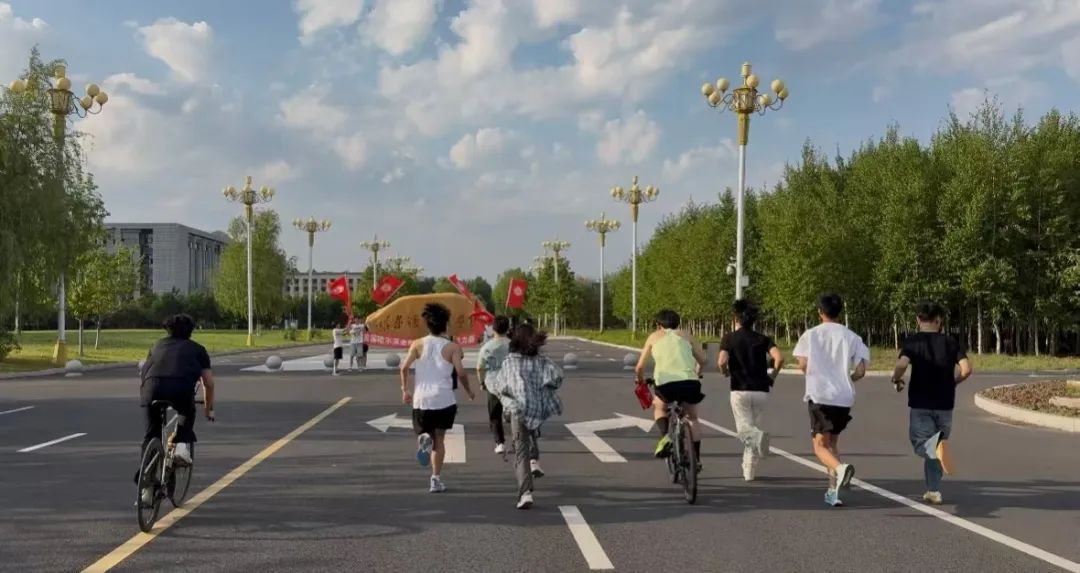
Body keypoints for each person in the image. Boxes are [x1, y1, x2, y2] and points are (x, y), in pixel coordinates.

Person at [891, 300, 973, 505]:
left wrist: (896, 378)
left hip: (921, 403)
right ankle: (934, 491)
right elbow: (966, 369)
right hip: (945, 404)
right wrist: (954, 382)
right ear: (939, 320)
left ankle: (934, 452)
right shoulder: (950, 342)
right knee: (937, 448)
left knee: (922, 444)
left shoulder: (913, 342)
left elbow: (901, 364)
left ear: (918, 319)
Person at [793, 293, 870, 507]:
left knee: (819, 446)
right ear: (839, 313)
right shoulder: (852, 337)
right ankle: (833, 491)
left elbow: (802, 364)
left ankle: (840, 468)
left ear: (820, 312)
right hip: (843, 398)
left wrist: (813, 375)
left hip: (821, 395)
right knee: (832, 444)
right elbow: (861, 370)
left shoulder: (811, 335)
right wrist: (847, 379)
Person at [137, 314, 215, 498]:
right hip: (180, 389)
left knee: (151, 435)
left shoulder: (156, 345)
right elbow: (209, 383)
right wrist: (208, 408)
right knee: (187, 410)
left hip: (151, 389)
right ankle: (180, 447)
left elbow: (145, 371)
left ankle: (146, 488)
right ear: (191, 331)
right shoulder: (198, 349)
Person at [400, 303, 475, 493]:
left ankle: (424, 437)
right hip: (444, 399)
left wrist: (405, 390)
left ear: (428, 324)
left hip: (421, 400)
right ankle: (435, 479)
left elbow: (404, 367)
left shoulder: (417, 344)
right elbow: (460, 372)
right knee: (439, 440)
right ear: (446, 325)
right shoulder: (452, 347)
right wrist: (469, 391)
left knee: (427, 434)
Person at [488, 323, 564, 509]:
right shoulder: (541, 361)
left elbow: (500, 386)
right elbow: (557, 377)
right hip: (536, 408)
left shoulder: (509, 362)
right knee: (532, 432)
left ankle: (525, 493)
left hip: (517, 410)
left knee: (520, 450)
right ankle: (534, 460)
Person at [718, 300, 784, 481]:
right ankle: (749, 470)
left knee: (745, 431)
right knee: (753, 428)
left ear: (736, 319)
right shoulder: (763, 339)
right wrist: (773, 375)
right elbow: (779, 358)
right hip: (761, 390)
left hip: (739, 389)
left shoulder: (729, 338)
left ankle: (757, 436)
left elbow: (721, 361)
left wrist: (725, 372)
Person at [635, 309, 707, 461]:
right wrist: (697, 372)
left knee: (660, 407)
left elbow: (639, 367)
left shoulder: (654, 337)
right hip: (690, 382)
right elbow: (703, 360)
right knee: (692, 418)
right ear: (678, 324)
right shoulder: (686, 335)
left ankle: (665, 437)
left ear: (658, 325)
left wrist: (641, 380)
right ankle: (696, 459)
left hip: (665, 384)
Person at [477, 316, 512, 454]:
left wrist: (481, 382)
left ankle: (500, 443)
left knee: (494, 414)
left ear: (493, 328)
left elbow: (480, 367)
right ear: (508, 328)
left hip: (493, 383)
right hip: (511, 382)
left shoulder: (487, 347)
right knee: (516, 414)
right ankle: (517, 441)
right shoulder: (514, 345)